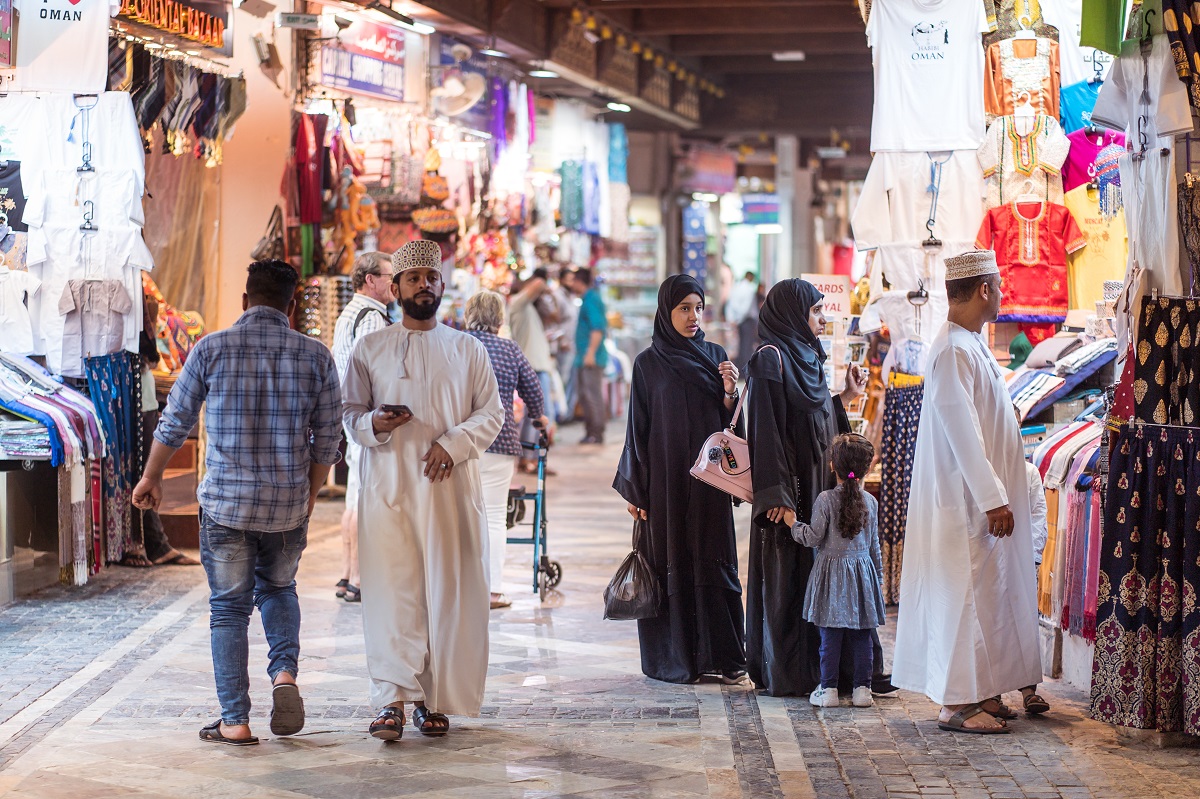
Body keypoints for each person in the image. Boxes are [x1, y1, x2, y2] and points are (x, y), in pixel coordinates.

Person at [132, 259, 343, 746]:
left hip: (227, 506)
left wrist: (152, 477)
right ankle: (285, 675)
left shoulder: (212, 348)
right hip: (287, 505)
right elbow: (328, 440)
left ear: (244, 301)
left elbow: (175, 420)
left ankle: (235, 720)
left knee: (229, 610)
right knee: (279, 589)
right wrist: (310, 495)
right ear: (291, 306)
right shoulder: (317, 356)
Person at [342, 240, 504, 741]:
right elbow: (349, 416)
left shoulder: (467, 348)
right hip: (389, 493)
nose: (424, 286)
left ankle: (433, 700)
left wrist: (453, 443)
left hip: (448, 496)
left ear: (441, 284)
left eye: (431, 278)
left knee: (445, 594)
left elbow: (492, 413)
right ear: (395, 289)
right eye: (413, 279)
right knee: (393, 595)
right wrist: (378, 422)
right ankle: (390, 700)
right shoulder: (370, 349)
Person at [892, 249, 1042, 735]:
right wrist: (991, 496)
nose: (1003, 295)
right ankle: (957, 704)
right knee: (964, 599)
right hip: (965, 503)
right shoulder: (954, 349)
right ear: (984, 290)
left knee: (983, 597)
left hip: (977, 501)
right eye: (999, 286)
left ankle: (980, 692)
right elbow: (962, 430)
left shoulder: (967, 344)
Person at [614, 274, 747, 685]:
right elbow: (638, 428)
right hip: (666, 486)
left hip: (707, 485)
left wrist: (729, 391)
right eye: (684, 308)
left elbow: (729, 426)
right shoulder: (648, 364)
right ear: (666, 311)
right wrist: (636, 490)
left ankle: (723, 657)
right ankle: (675, 660)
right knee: (670, 561)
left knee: (712, 559)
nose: (693, 317)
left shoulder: (715, 355)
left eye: (698, 308)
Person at [744, 279, 868, 697]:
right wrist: (775, 494)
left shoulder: (809, 358)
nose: (821, 319)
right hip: (791, 494)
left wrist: (845, 398)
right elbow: (765, 432)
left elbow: (818, 418)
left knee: (822, 574)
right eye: (815, 312)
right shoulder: (769, 360)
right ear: (792, 315)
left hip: (816, 486)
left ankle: (827, 670)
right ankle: (792, 671)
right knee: (790, 579)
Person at [784, 434, 885, 709]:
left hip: (831, 577)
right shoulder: (871, 503)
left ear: (832, 466)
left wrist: (793, 524)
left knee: (830, 636)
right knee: (862, 635)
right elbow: (874, 546)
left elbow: (814, 537)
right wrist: (878, 579)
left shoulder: (825, 500)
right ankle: (862, 690)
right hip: (862, 577)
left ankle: (828, 689)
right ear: (867, 468)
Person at [464, 290, 548, 610]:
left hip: (461, 444)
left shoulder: (456, 344)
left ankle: (460, 588)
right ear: (499, 319)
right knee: (495, 517)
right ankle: (493, 591)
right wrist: (539, 419)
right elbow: (533, 391)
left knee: (458, 515)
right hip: (500, 441)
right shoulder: (509, 349)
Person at [330, 251, 394, 603]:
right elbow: (371, 369)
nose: (393, 283)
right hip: (365, 417)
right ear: (370, 279)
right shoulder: (371, 316)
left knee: (355, 494)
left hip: (349, 414)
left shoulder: (349, 312)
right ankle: (358, 577)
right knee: (364, 495)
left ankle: (346, 573)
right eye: (388, 275)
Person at [508, 270, 556, 473]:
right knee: (537, 416)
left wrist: (550, 296)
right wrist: (545, 286)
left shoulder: (529, 310)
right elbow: (538, 283)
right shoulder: (517, 304)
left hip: (538, 367)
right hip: (532, 368)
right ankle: (529, 459)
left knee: (536, 416)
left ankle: (532, 459)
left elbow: (556, 316)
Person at [570, 267, 608, 444]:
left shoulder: (591, 300)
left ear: (579, 281)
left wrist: (590, 353)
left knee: (591, 395)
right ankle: (591, 431)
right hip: (584, 356)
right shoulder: (587, 299)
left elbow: (597, 328)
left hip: (590, 357)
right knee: (585, 395)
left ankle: (596, 432)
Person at [726, 270, 761, 372]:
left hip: (739, 321)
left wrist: (733, 319)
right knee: (747, 345)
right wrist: (739, 319)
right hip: (747, 321)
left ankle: (740, 369)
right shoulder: (749, 289)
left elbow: (731, 304)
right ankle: (745, 370)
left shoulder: (737, 287)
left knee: (741, 345)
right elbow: (745, 309)